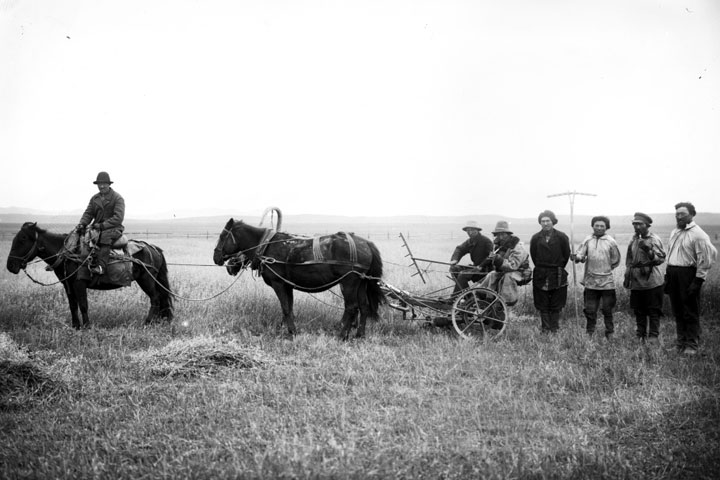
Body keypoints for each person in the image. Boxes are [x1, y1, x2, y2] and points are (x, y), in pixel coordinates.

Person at [664, 202, 717, 355]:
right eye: (677, 214)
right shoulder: (675, 232)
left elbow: (706, 260)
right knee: (678, 310)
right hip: (673, 274)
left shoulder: (699, 234)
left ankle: (691, 345)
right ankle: (680, 343)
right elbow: (671, 255)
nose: (679, 217)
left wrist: (698, 281)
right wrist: (668, 276)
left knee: (690, 311)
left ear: (692, 215)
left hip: (688, 275)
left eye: (682, 214)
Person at [573, 216, 621, 339]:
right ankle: (590, 332)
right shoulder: (587, 240)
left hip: (607, 282)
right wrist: (577, 257)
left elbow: (615, 260)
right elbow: (581, 255)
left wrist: (604, 269)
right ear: (593, 226)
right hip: (590, 282)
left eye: (602, 226)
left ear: (606, 227)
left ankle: (609, 332)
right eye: (596, 225)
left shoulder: (611, 241)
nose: (599, 228)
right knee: (590, 309)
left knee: (607, 309)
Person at [623, 212, 666, 344]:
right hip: (636, 281)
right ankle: (640, 334)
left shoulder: (654, 239)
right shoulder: (633, 239)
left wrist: (648, 251)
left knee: (653, 310)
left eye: (639, 224)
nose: (636, 226)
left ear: (647, 225)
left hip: (652, 281)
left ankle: (653, 335)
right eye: (634, 224)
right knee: (639, 310)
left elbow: (661, 259)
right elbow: (629, 259)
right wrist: (627, 275)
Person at [77, 172, 125, 275]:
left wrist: (102, 225)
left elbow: (118, 218)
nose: (101, 186)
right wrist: (82, 223)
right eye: (99, 184)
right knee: (77, 235)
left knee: (104, 237)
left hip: (114, 228)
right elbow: (88, 213)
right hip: (97, 228)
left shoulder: (117, 198)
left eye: (104, 183)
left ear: (109, 184)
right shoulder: (95, 198)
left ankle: (101, 267)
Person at [530, 210, 571, 333]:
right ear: (540, 223)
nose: (545, 223)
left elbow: (566, 254)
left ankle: (554, 328)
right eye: (543, 221)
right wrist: (542, 267)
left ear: (553, 222)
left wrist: (557, 266)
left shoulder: (562, 237)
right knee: (542, 302)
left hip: (557, 272)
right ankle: (545, 328)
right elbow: (534, 255)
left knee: (556, 302)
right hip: (540, 273)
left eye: (548, 221)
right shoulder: (536, 238)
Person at [477, 220, 530, 307]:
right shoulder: (499, 246)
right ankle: (486, 298)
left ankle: (504, 302)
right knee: (492, 275)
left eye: (503, 234)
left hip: (521, 272)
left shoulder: (517, 247)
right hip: (506, 270)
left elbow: (513, 266)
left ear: (508, 235)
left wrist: (498, 259)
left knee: (507, 276)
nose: (501, 237)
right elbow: (497, 264)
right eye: (498, 234)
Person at [449, 220, 494, 294]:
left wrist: (481, 266)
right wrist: (455, 259)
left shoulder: (486, 241)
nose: (470, 232)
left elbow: (491, 257)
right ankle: (468, 296)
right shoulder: (470, 241)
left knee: (463, 275)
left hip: (485, 270)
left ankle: (455, 298)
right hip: (475, 268)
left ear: (477, 230)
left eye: (472, 230)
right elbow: (460, 249)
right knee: (454, 269)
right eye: (468, 230)